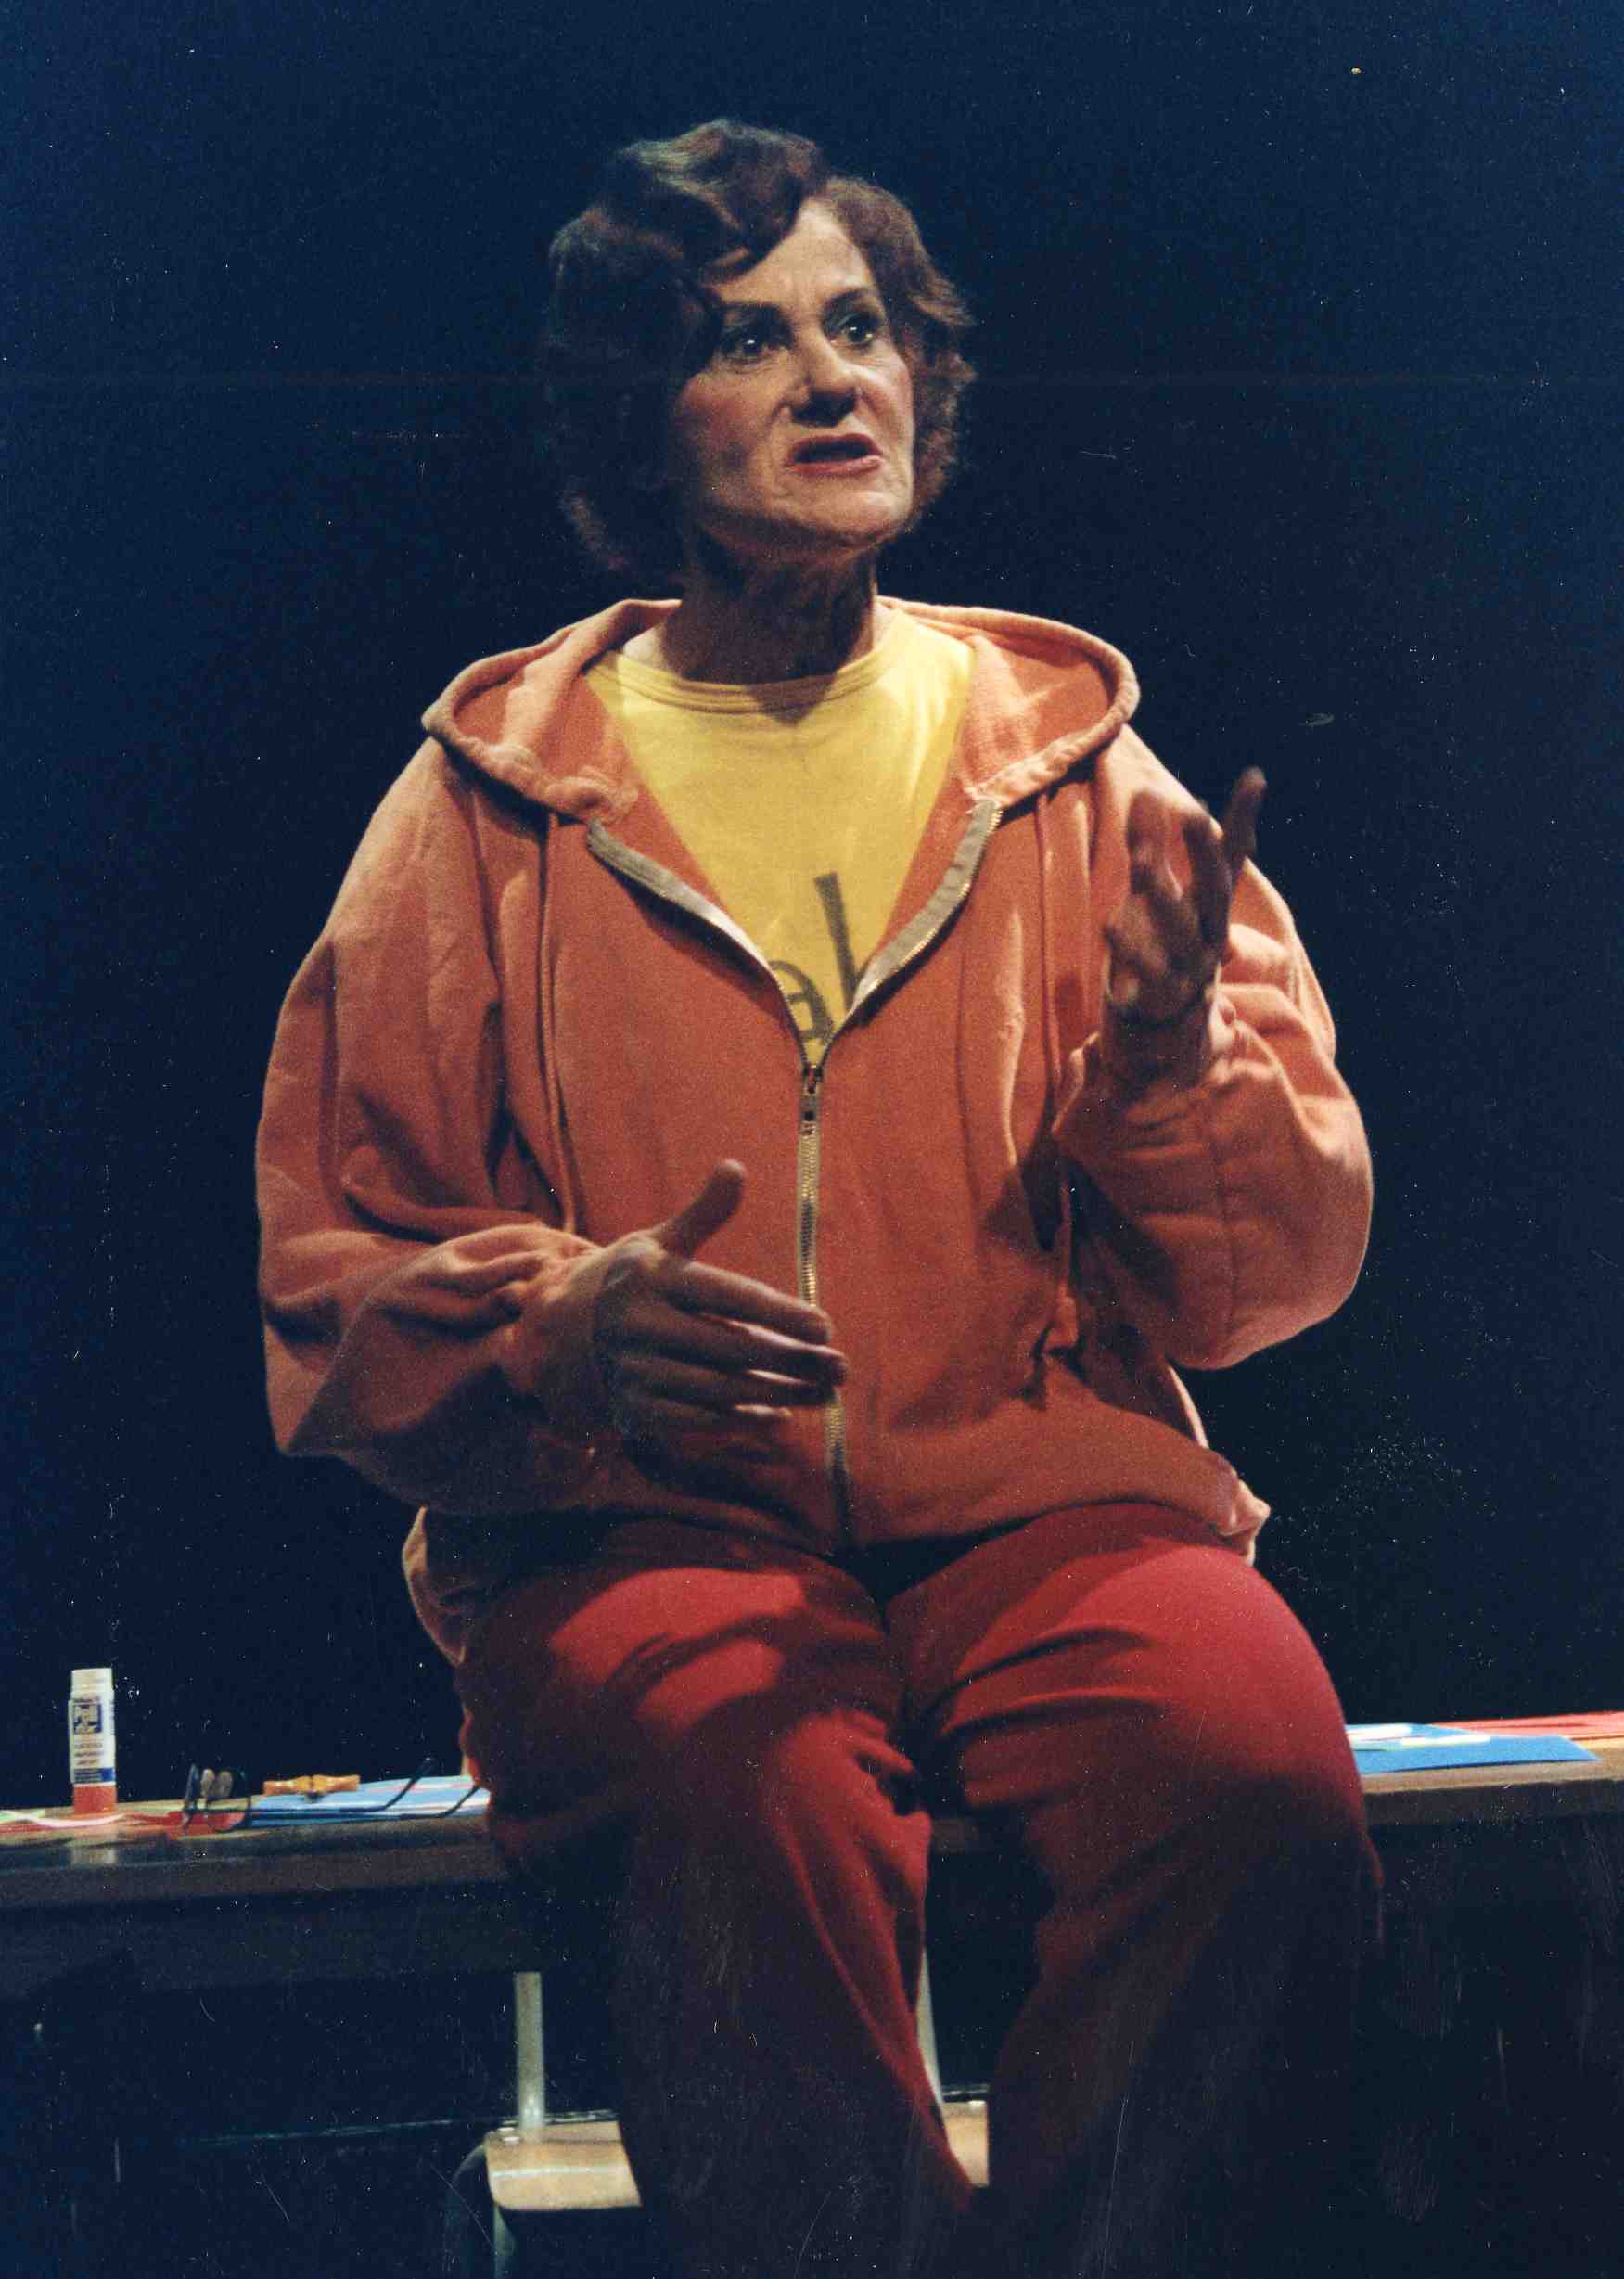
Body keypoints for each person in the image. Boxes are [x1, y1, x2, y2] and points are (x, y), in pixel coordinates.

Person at [257, 120, 1378, 2279]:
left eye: (858, 327)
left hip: (1042, 1509)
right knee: (736, 1779)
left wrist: (1167, 1080)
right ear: (639, 422)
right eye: (745, 340)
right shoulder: (497, 793)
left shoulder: (1069, 761)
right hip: (647, 1531)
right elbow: (337, 1250)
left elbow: (1280, 1269)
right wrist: (558, 1325)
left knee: (1251, 1766)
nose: (830, 376)